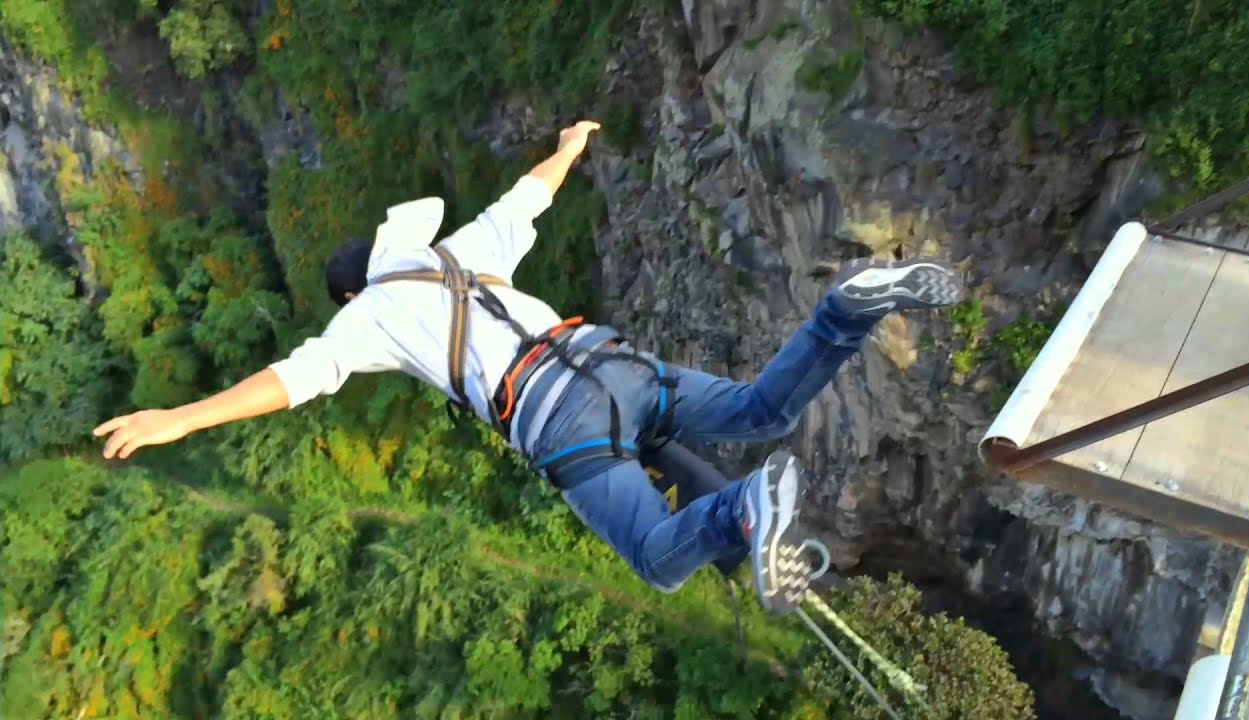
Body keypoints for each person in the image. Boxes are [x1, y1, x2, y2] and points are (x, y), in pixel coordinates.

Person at [94, 120, 962, 616]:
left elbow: (295, 380)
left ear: (349, 294)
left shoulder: (370, 318)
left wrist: (180, 419)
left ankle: (743, 508)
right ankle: (848, 310)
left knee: (660, 560)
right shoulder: (457, 253)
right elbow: (533, 192)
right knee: (763, 411)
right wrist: (572, 143)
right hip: (609, 360)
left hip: (562, 423)